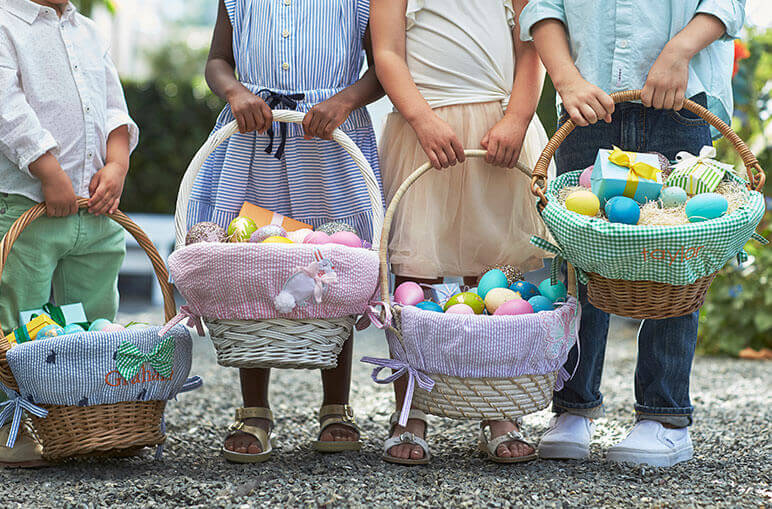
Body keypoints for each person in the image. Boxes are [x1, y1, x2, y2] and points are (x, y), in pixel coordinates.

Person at [520, 0, 745, 467]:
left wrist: (680, 50)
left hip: (678, 100)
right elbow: (542, 6)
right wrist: (566, 79)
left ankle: (664, 417)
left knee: (675, 254)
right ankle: (573, 408)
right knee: (581, 252)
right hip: (587, 102)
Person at [192, 0, 383, 463]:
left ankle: (335, 405)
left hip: (329, 141)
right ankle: (254, 408)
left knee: (335, 260)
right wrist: (236, 93)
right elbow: (217, 61)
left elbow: (382, 67)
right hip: (255, 136)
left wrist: (344, 100)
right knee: (250, 261)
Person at [372, 0, 552, 464]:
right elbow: (388, 52)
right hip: (423, 131)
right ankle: (410, 412)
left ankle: (498, 409)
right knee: (416, 277)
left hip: (499, 129)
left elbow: (530, 46)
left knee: (494, 278)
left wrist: (516, 118)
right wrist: (422, 118)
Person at [0, 0, 137, 467]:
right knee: (14, 321)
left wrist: (118, 165)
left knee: (95, 322)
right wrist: (48, 170)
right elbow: (3, 106)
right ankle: (4, 424)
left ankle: (87, 419)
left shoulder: (88, 29)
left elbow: (113, 107)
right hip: (28, 208)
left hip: (96, 210)